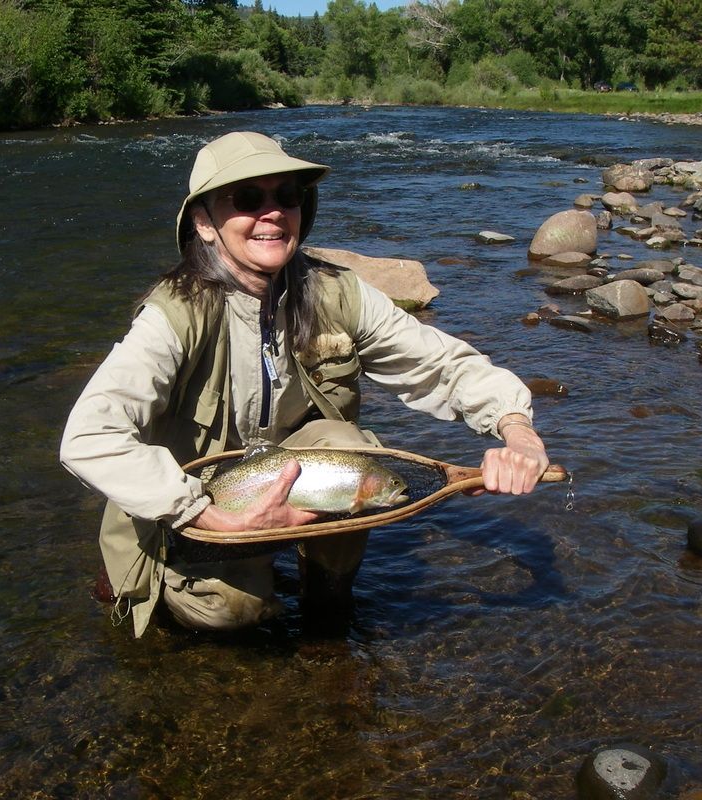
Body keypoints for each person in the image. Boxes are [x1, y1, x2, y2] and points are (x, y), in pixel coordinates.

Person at [60, 131, 549, 637]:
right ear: (204, 223)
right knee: (232, 613)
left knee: (348, 447)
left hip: (281, 483)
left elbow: (444, 366)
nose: (272, 212)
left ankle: (328, 609)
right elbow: (88, 437)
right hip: (196, 506)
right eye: (248, 198)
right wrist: (204, 515)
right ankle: (162, 576)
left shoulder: (335, 292)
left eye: (286, 195)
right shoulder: (176, 315)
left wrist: (518, 432)